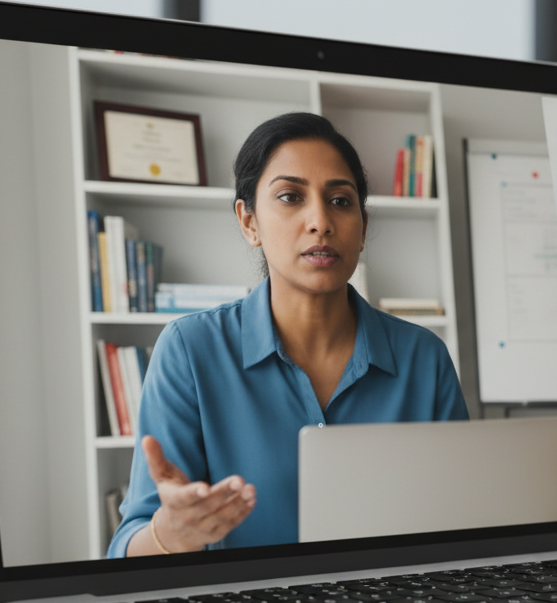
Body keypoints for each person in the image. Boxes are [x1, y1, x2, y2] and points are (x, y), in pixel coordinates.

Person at [108, 113, 468, 557]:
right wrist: (172, 534)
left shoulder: (424, 358)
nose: (320, 220)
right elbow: (126, 547)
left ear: (363, 228)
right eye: (290, 196)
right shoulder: (189, 350)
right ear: (249, 222)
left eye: (340, 200)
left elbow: (463, 519)